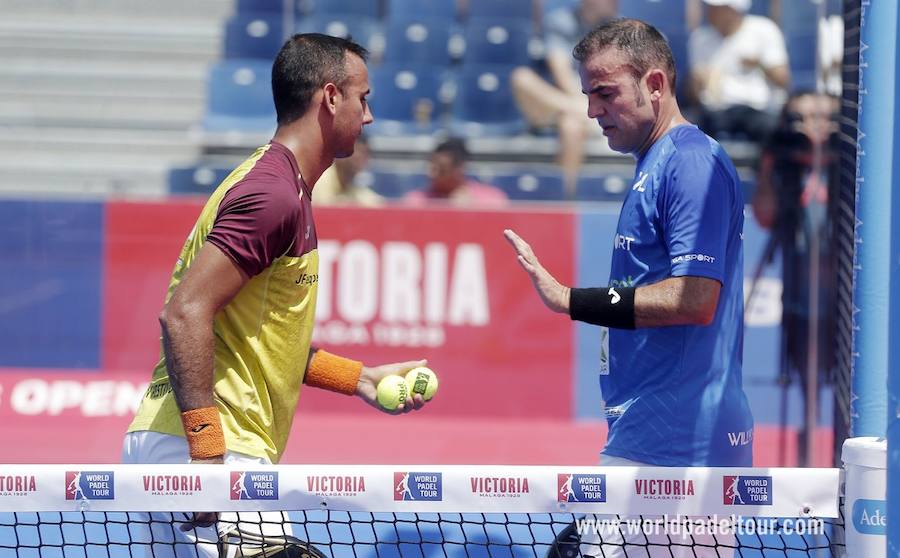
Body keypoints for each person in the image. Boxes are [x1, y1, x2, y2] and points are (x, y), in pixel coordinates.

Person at [122, 33, 429, 557]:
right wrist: (207, 456)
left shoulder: (282, 187)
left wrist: (359, 379)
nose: (370, 115)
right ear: (331, 97)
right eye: (364, 97)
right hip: (212, 451)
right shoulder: (272, 194)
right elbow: (183, 312)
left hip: (194, 447)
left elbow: (259, 340)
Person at [505, 18, 750, 557]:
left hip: (677, 452)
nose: (592, 110)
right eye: (588, 94)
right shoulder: (657, 162)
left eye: (605, 93)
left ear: (655, 84)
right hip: (651, 440)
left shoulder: (688, 161)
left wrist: (573, 300)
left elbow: (695, 298)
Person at [751, 91, 839, 465]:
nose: (812, 128)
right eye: (800, 120)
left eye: (822, 118)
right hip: (803, 296)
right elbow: (766, 216)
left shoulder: (854, 163)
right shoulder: (786, 166)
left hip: (847, 296)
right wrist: (773, 162)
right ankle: (810, 456)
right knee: (808, 386)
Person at [511, 0, 618, 197]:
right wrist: (585, 106)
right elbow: (561, 75)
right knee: (521, 78)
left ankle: (564, 198)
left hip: (589, 108)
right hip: (559, 103)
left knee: (571, 126)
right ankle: (591, 118)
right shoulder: (560, 21)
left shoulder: (617, 30)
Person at [687, 0, 790, 142]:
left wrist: (759, 64)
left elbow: (783, 80)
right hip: (717, 113)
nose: (710, 12)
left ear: (734, 10)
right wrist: (697, 82)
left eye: (718, 8)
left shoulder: (765, 30)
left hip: (759, 110)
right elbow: (694, 96)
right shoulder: (700, 38)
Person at [403, 138, 508, 207]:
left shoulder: (492, 200)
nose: (431, 174)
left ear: (460, 168)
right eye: (431, 167)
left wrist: (471, 209)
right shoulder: (415, 200)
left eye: (442, 170)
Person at [313, 134, 384, 206]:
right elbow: (326, 209)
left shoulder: (352, 186)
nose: (360, 157)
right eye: (357, 150)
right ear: (339, 152)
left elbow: (372, 201)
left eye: (365, 153)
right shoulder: (320, 179)